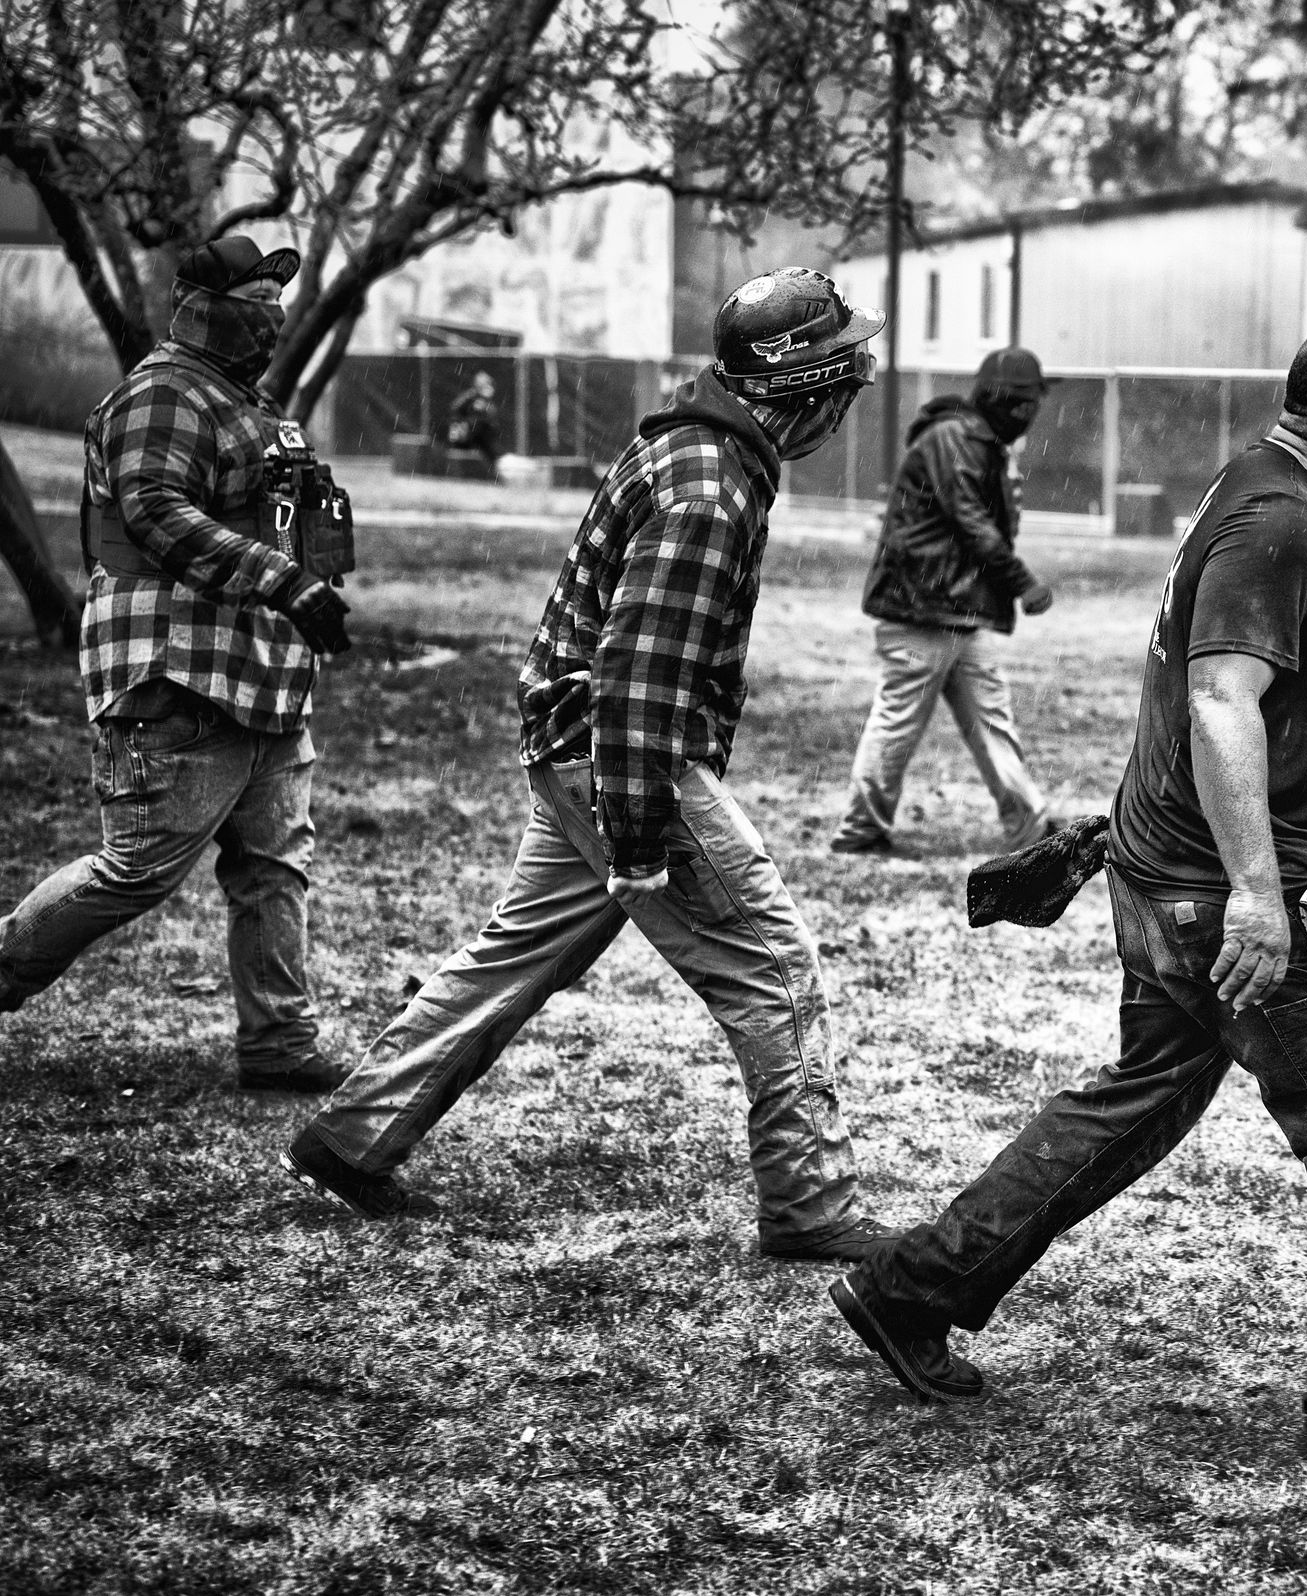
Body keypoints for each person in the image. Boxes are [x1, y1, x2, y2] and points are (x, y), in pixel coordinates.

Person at [830, 315, 1307, 1468]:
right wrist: (1259, 888)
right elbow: (1218, 700)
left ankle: (914, 1289)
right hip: (1230, 892)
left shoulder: (1264, 487)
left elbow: (1259, 693)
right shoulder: (1281, 519)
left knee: (1139, 1099)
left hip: (1162, 872)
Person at [283, 268, 895, 1263]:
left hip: (577, 751)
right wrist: (645, 837)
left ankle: (349, 1139)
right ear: (801, 385)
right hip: (617, 756)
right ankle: (812, 1207)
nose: (855, 387)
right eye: (847, 371)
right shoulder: (711, 487)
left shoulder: (699, 446)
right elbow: (643, 673)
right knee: (777, 974)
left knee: (516, 957)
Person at [0, 236, 355, 1092]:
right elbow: (154, 508)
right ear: (201, 307)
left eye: (278, 299)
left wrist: (306, 578)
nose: (273, 316)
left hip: (263, 676)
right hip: (178, 669)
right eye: (256, 299)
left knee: (273, 864)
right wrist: (280, 579)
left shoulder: (245, 401)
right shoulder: (162, 394)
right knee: (136, 870)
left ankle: (277, 1041)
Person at [831, 346, 1058, 856]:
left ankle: (1031, 826)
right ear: (997, 398)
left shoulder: (981, 441)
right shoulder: (953, 438)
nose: (1028, 414)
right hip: (922, 610)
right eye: (1022, 403)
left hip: (956, 609)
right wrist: (1022, 583)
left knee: (991, 720)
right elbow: (970, 520)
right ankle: (861, 830)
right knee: (898, 722)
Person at [445, 372, 501, 465]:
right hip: (468, 434)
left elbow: (491, 421)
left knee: (490, 448)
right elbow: (455, 410)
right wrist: (458, 426)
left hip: (480, 435)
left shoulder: (487, 403)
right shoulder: (470, 397)